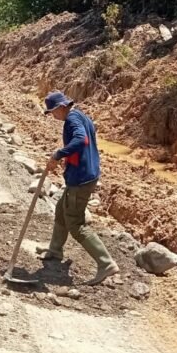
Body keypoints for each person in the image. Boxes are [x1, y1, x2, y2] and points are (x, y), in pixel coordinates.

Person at [40, 90, 119, 285]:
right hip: (85, 174)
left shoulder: (72, 120)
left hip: (81, 179)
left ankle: (106, 262)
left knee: (75, 223)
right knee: (61, 210)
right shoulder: (82, 115)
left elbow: (81, 140)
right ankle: (55, 251)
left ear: (61, 107)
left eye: (52, 112)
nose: (53, 117)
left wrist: (58, 155)